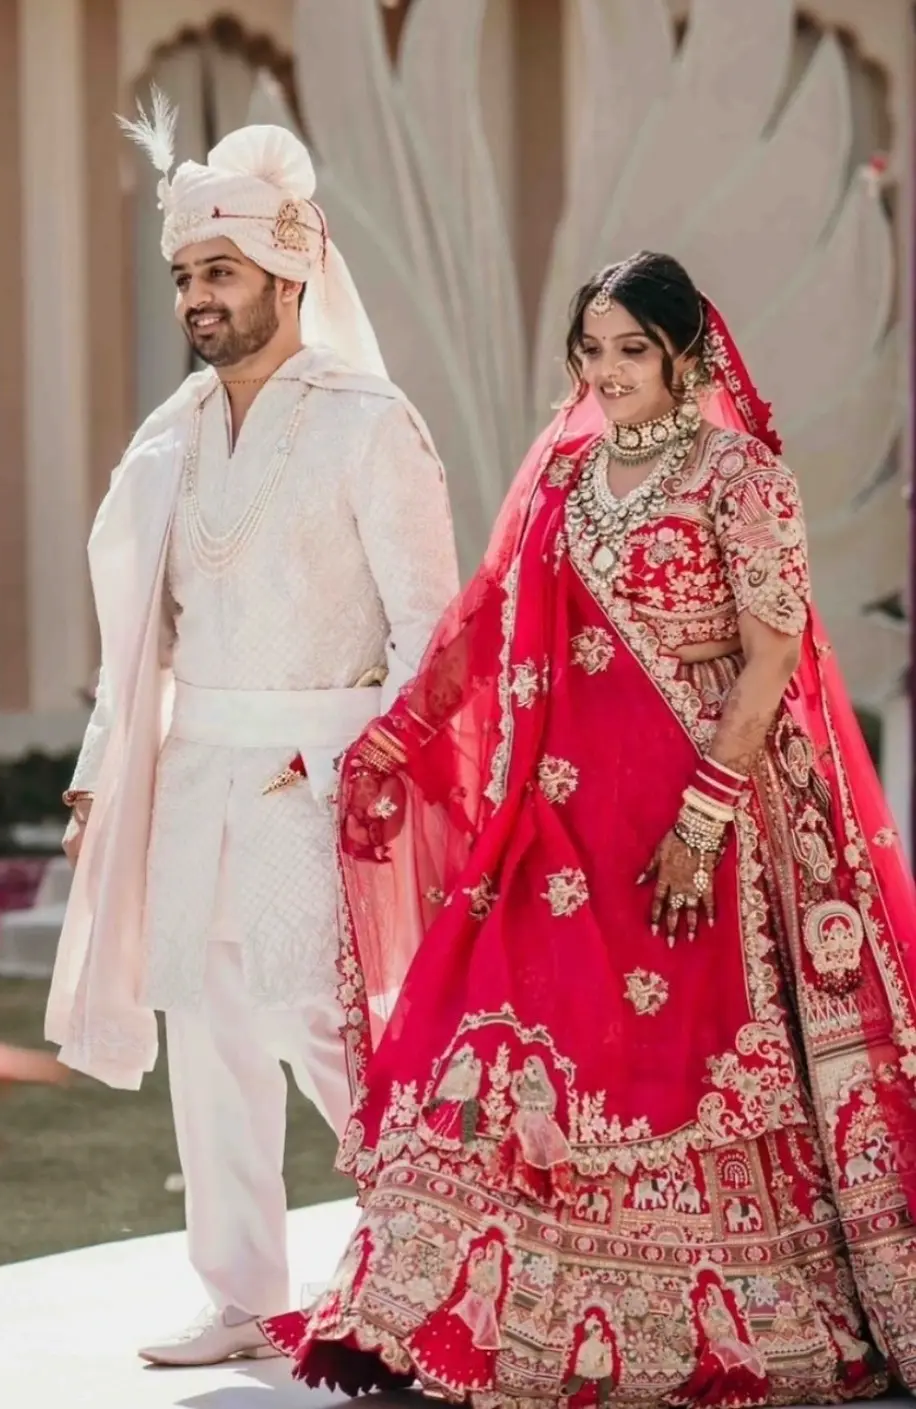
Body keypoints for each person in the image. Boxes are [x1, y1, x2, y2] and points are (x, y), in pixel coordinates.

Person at [263, 252, 916, 1405]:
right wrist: (393, 739)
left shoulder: (739, 476)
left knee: (674, 1055)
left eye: (631, 349)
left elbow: (768, 663)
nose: (607, 372)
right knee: (504, 1045)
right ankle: (433, 1303)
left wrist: (702, 821)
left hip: (694, 820)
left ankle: (691, 1310)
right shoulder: (565, 476)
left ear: (682, 354)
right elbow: (485, 627)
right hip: (557, 822)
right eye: (592, 348)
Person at [43, 98, 459, 1368]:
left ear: (289, 268)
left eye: (219, 271)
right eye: (184, 276)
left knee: (332, 1028)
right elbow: (138, 629)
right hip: (194, 771)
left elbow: (432, 631)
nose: (198, 298)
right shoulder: (169, 435)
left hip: (323, 776)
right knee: (209, 1036)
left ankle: (419, 1275)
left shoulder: (367, 422)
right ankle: (243, 1294)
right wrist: (98, 769)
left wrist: (369, 772)